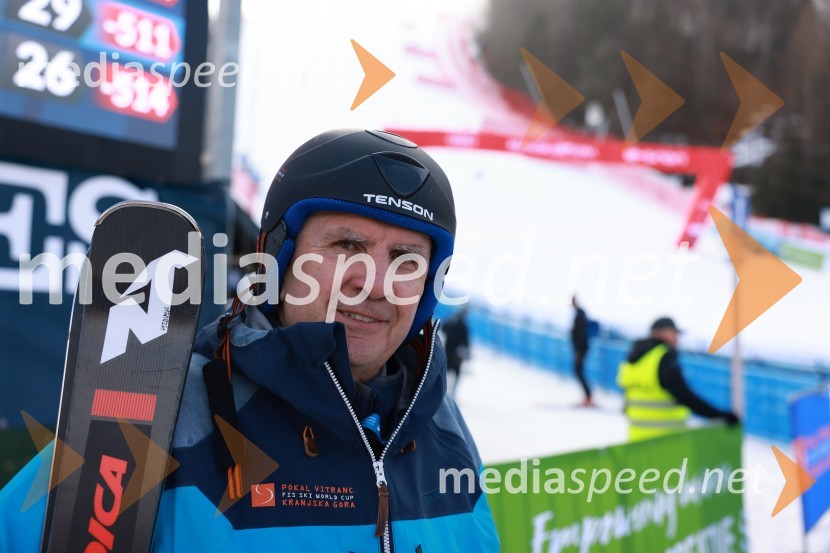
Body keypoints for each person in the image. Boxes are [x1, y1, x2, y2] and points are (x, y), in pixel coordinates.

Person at [0, 129, 500, 552]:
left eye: (407, 260)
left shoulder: (441, 424)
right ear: (277, 262)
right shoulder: (162, 415)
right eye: (347, 245)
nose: (373, 283)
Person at [617, 317, 740, 441]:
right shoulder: (664, 355)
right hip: (664, 440)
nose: (677, 339)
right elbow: (683, 394)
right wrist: (719, 415)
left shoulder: (631, 358)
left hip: (636, 439)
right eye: (675, 333)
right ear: (664, 332)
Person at [441, 306, 470, 397]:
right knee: (455, 374)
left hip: (448, 351)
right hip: (456, 355)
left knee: (444, 372)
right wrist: (466, 353)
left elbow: (443, 329)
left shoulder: (452, 322)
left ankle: (443, 391)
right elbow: (466, 342)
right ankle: (451, 393)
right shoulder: (463, 326)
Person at [570, 297, 592, 407]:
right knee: (579, 372)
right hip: (581, 348)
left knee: (578, 372)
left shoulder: (580, 314)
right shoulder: (580, 313)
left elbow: (580, 335)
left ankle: (588, 397)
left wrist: (578, 351)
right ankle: (588, 397)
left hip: (581, 349)